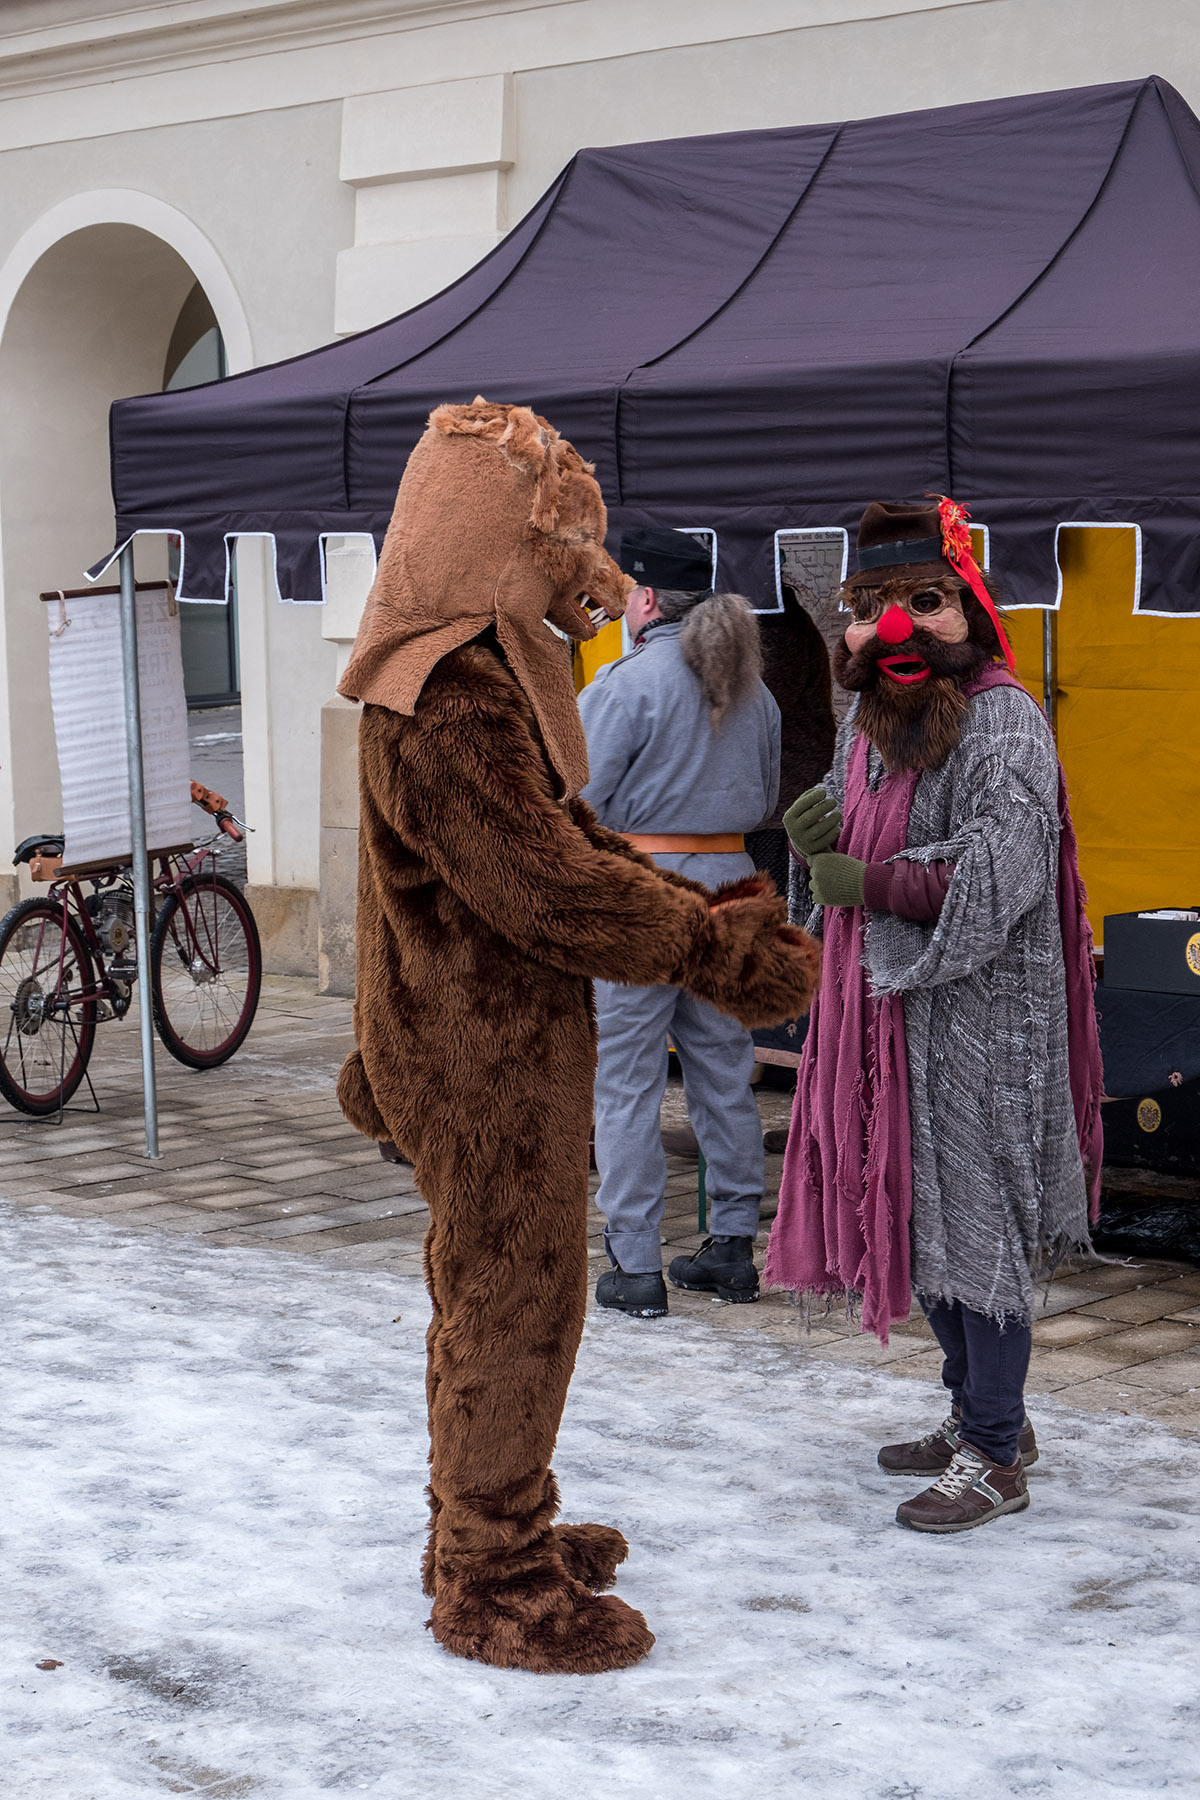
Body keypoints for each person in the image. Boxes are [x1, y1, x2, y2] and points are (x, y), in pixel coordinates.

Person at [336, 401, 819, 1673]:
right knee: (518, 1299)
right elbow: (544, 883)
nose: (587, 578)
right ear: (495, 545)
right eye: (561, 551)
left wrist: (703, 919)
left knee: (494, 1292)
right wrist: (710, 948)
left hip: (479, 1039)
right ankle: (493, 1577)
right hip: (481, 1056)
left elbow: (570, 840)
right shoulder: (449, 695)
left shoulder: (467, 674)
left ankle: (489, 1523)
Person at [765, 497, 1102, 1534]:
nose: (897, 629)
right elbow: (844, 847)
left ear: (969, 610)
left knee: (979, 1228)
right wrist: (815, 849)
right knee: (927, 1224)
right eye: (872, 608)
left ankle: (994, 1456)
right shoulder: (871, 722)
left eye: (925, 602)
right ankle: (982, 1417)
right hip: (886, 1022)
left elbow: (1003, 869)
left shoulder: (1003, 718)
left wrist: (870, 882)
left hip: (983, 1027)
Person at [579, 526, 790, 1318]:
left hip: (643, 891)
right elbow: (766, 796)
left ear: (643, 600)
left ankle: (635, 1265)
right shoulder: (755, 691)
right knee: (724, 1074)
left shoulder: (624, 684)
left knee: (627, 1083)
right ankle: (731, 1249)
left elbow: (577, 800)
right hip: (731, 888)